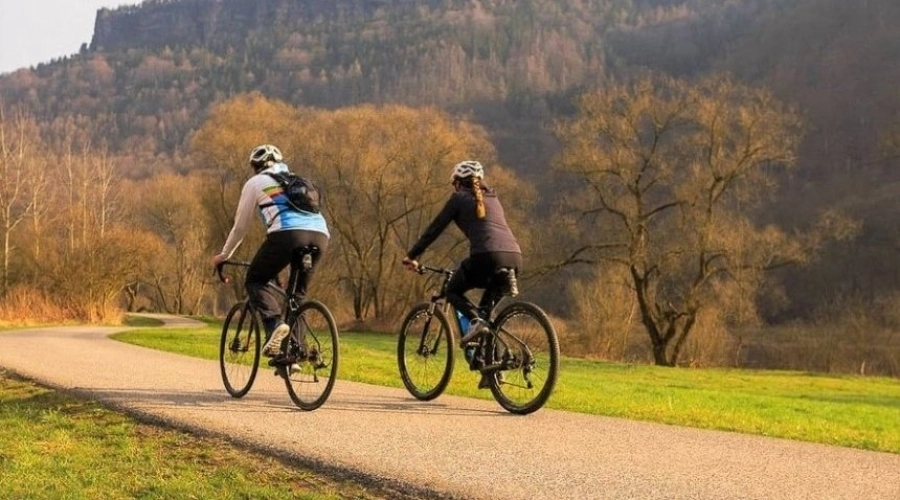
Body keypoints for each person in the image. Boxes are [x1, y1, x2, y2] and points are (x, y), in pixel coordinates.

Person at [211, 144, 330, 357]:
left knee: (255, 280)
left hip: (287, 234)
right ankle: (295, 353)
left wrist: (224, 255)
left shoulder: (256, 182)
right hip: (320, 234)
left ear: (256, 167)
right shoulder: (297, 180)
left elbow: (240, 227)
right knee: (297, 296)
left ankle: (274, 323)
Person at [402, 159, 522, 351]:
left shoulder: (458, 198)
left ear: (457, 183)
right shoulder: (493, 197)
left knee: (452, 291)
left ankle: (475, 321)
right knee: (487, 316)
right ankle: (491, 371)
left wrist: (412, 256)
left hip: (486, 257)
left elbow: (435, 229)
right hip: (514, 258)